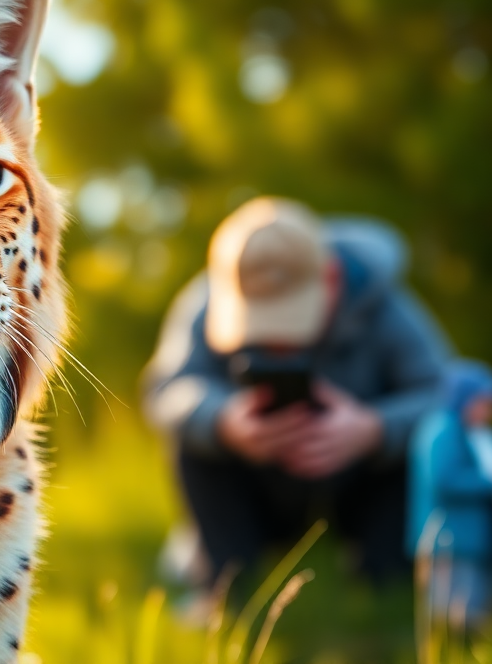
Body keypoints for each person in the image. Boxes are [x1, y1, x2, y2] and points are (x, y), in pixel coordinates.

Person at [141, 197, 453, 587]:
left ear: (333, 279)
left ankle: (386, 578)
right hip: (256, 485)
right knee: (193, 441)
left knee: (425, 445)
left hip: (362, 485)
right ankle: (226, 583)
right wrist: (223, 422)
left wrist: (374, 430)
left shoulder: (386, 308)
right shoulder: (201, 302)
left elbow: (444, 395)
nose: (278, 345)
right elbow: (167, 391)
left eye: (291, 322)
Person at [406, 361, 492, 630]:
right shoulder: (442, 430)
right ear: (466, 399)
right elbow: (444, 480)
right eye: (486, 401)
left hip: (469, 540)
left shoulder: (472, 432)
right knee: (453, 622)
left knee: (475, 617)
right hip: (449, 541)